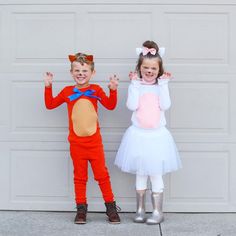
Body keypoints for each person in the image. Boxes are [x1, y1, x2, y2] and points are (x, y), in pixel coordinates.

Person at [44, 52, 120, 224]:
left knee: (102, 176)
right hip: (76, 144)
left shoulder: (96, 90)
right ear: (71, 73)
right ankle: (81, 210)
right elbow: (50, 105)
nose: (80, 73)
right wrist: (48, 87)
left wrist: (113, 90)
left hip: (94, 144)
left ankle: (111, 209)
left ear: (92, 73)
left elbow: (110, 106)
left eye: (84, 70)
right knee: (79, 177)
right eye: (77, 70)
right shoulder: (67, 91)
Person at [115, 40, 182, 225]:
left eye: (153, 68)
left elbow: (166, 105)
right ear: (139, 67)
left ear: (159, 69)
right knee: (141, 173)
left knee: (155, 173)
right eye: (146, 67)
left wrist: (164, 85)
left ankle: (157, 211)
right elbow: (132, 106)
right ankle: (140, 210)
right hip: (138, 136)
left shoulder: (160, 86)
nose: (149, 71)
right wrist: (134, 85)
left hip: (157, 137)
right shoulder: (136, 85)